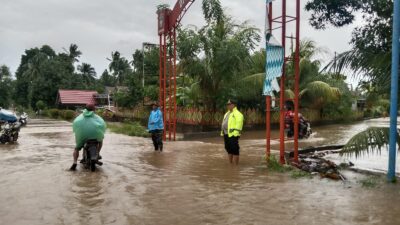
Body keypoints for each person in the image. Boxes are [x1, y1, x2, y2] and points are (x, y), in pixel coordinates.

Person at [70, 104, 106, 171]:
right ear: (94, 109)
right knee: (101, 140)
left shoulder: (80, 117)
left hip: (82, 136)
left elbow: (75, 125)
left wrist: (78, 133)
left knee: (77, 148)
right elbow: (103, 125)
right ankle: (97, 153)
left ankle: (74, 162)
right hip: (95, 137)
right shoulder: (97, 117)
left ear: (85, 109)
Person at [221, 99, 244, 165]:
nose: (227, 106)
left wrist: (235, 134)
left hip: (233, 134)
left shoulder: (238, 114)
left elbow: (239, 124)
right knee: (228, 148)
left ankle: (236, 165)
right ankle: (230, 163)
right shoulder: (227, 113)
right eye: (227, 104)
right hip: (226, 133)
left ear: (233, 105)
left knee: (234, 149)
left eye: (229, 104)